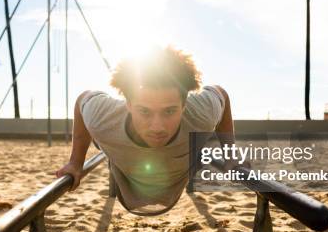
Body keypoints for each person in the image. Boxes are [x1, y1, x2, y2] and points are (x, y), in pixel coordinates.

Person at [55, 45, 234, 215]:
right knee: (106, 136)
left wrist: (231, 157)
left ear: (184, 105)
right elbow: (82, 100)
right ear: (129, 104)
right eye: (144, 111)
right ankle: (114, 154)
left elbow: (221, 94)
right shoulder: (102, 117)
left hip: (180, 168)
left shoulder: (202, 114)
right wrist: (75, 162)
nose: (157, 127)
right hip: (124, 174)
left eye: (169, 111)